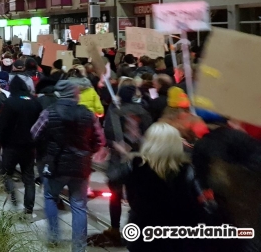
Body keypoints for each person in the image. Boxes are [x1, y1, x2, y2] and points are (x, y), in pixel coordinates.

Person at [108, 123, 213, 252]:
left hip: (142, 232)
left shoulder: (135, 165)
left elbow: (113, 180)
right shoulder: (187, 170)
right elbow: (204, 202)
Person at [31, 80, 105, 251]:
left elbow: (34, 133)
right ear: (76, 94)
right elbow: (100, 140)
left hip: (56, 164)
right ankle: (79, 247)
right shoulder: (88, 114)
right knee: (79, 205)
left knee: (50, 197)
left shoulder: (49, 113)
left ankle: (54, 237)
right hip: (81, 165)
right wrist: (88, 151)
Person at [102, 84, 152, 242]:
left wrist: (116, 144)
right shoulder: (143, 112)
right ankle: (136, 229)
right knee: (135, 196)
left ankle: (115, 228)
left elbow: (108, 133)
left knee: (115, 196)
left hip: (118, 160)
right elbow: (149, 133)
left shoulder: (114, 110)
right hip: (138, 159)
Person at [0, 76, 42, 216]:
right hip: (29, 146)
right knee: (29, 178)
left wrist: (2, 142)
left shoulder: (10, 102)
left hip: (11, 145)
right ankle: (28, 209)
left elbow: (4, 125)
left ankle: (12, 198)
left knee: (7, 174)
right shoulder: (35, 102)